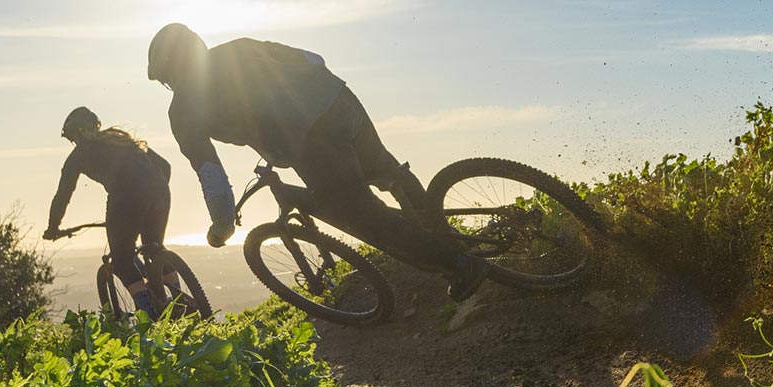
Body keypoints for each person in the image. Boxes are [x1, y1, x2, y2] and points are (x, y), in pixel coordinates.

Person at [145, 23, 488, 300]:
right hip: (339, 100)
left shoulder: (182, 110)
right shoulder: (239, 47)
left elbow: (214, 181)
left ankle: (459, 264)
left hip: (310, 138)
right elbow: (314, 59)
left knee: (361, 215)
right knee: (384, 168)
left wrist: (221, 229)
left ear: (167, 74)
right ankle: (446, 235)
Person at [42, 107, 188, 315]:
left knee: (121, 261)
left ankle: (150, 315)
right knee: (154, 249)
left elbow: (63, 195)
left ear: (77, 134)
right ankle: (182, 304)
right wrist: (154, 194)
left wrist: (53, 227)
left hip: (125, 196)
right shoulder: (123, 140)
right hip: (159, 189)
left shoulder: (79, 155)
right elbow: (165, 166)